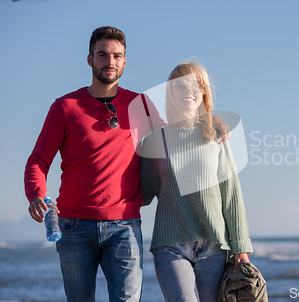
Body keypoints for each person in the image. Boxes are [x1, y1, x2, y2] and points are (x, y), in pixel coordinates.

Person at [24, 27, 231, 302]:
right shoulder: (65, 107)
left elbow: (175, 134)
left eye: (116, 56)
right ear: (90, 59)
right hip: (74, 226)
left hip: (124, 227)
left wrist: (209, 119)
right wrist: (36, 194)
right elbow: (38, 159)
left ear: (124, 62)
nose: (110, 62)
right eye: (102, 55)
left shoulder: (140, 105)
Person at [140, 61, 253, 302]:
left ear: (204, 92)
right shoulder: (154, 141)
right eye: (179, 85)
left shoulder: (216, 136)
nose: (188, 90)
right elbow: (139, 193)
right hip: (171, 245)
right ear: (170, 93)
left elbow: (231, 193)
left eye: (196, 85)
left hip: (214, 247)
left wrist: (240, 245)